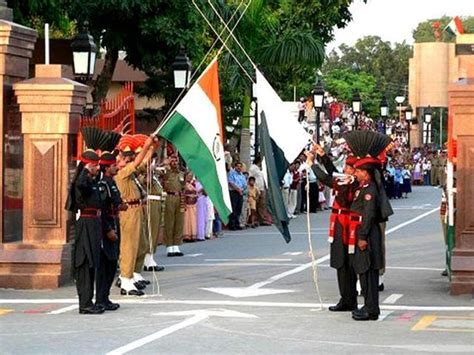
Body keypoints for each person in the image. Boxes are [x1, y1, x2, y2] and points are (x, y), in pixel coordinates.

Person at [308, 144, 358, 312]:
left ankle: (347, 299)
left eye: (347, 167)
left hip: (344, 225)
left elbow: (328, 179)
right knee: (342, 263)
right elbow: (334, 173)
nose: (344, 169)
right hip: (340, 222)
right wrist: (323, 156)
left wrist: (312, 164)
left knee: (343, 262)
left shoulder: (350, 181)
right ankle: (347, 297)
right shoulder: (348, 179)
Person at [115, 135, 155, 295]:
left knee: (141, 244)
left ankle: (132, 274)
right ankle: (125, 278)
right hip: (129, 211)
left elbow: (143, 163)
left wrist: (153, 148)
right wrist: (146, 146)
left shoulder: (129, 174)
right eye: (124, 158)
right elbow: (138, 162)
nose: (127, 160)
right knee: (129, 245)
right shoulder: (122, 174)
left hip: (137, 210)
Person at [69, 147, 105, 314]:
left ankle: (89, 300)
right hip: (85, 224)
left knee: (93, 263)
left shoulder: (92, 180)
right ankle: (84, 304)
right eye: (94, 165)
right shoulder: (81, 181)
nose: (98, 168)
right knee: (84, 262)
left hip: (94, 224)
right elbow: (81, 184)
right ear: (87, 166)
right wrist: (84, 169)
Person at [350, 158, 385, 321]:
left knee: (368, 271)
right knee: (364, 271)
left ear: (366, 173)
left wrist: (362, 237)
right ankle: (368, 305)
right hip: (364, 231)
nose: (355, 174)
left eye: (358, 171)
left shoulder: (370, 190)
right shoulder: (364, 187)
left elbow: (369, 214)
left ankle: (371, 309)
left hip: (368, 234)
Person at [96, 145, 123, 311]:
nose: (117, 167)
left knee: (112, 263)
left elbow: (115, 202)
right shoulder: (103, 185)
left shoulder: (111, 183)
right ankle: (100, 298)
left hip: (114, 222)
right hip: (107, 227)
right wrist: (108, 230)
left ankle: (105, 297)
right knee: (106, 263)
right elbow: (102, 210)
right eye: (113, 165)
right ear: (107, 168)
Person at [163, 155, 186, 256]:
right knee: (169, 222)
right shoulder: (166, 173)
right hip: (170, 197)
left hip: (179, 197)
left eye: (176, 161)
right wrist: (165, 164)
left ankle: (176, 245)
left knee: (179, 222)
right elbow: (160, 172)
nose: (174, 163)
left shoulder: (181, 173)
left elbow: (183, 185)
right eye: (172, 160)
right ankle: (169, 246)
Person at [249, 157, 271, 226]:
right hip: (256, 188)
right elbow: (250, 177)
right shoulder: (253, 168)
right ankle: (257, 219)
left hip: (261, 188)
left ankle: (262, 219)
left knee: (262, 204)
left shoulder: (259, 169)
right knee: (256, 204)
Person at [227, 161, 247, 230]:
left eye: (240, 166)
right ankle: (232, 224)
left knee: (239, 208)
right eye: (237, 166)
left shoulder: (242, 175)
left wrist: (242, 190)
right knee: (233, 208)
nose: (239, 168)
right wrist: (238, 189)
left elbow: (244, 184)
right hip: (234, 192)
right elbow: (230, 183)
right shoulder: (231, 173)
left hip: (240, 192)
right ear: (235, 167)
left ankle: (237, 223)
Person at [182, 172, 198, 242]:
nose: (190, 177)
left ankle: (193, 235)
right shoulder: (184, 185)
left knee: (193, 220)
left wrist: (194, 196)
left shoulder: (192, 184)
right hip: (187, 204)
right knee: (187, 220)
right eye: (188, 176)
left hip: (193, 204)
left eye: (191, 176)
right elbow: (183, 194)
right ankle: (187, 235)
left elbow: (196, 193)